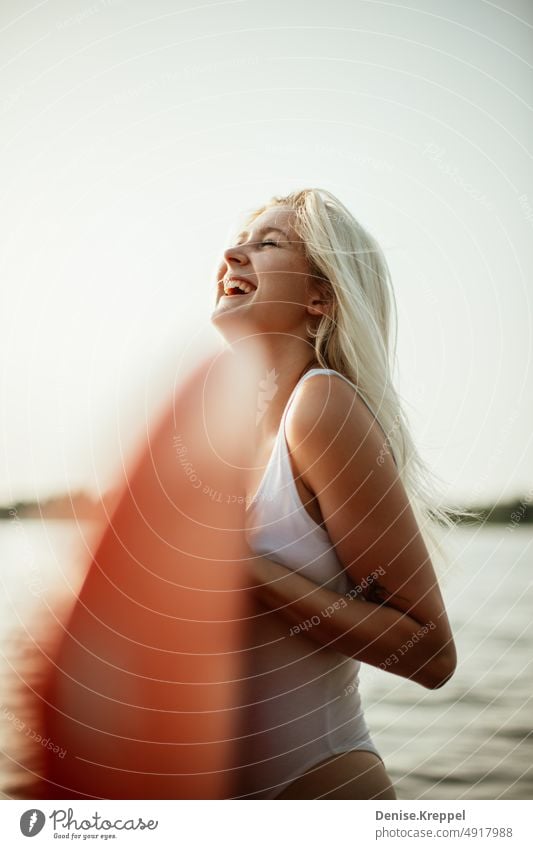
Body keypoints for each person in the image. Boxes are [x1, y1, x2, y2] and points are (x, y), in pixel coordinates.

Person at [211, 187, 459, 800]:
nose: (231, 254)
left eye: (266, 244)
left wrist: (244, 566)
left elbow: (429, 654)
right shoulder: (229, 439)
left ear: (321, 296)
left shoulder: (321, 404)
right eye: (241, 240)